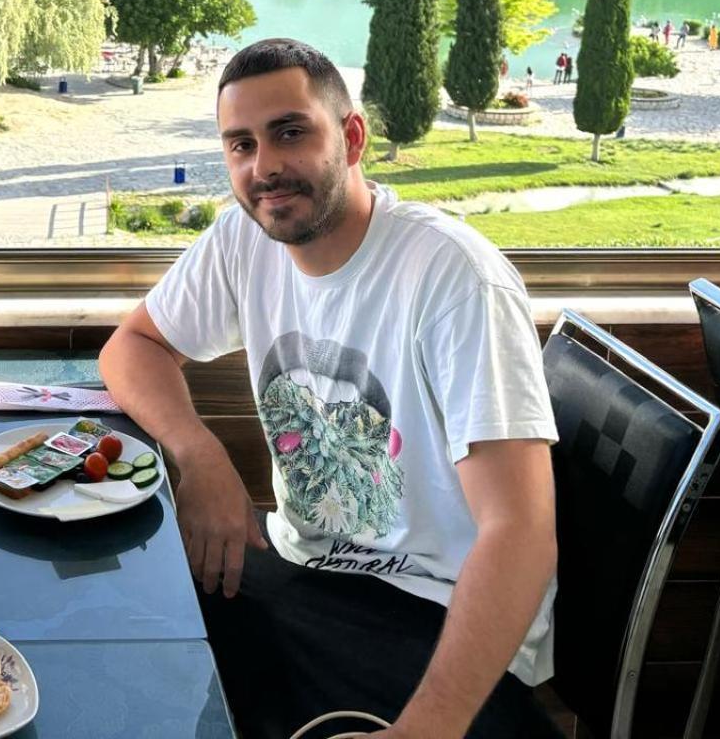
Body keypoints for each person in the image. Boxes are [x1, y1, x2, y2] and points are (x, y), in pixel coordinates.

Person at [99, 38, 559, 739]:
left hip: (434, 614)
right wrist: (200, 451)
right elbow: (133, 346)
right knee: (123, 628)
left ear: (350, 137)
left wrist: (427, 727)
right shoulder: (243, 240)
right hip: (303, 575)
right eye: (240, 145)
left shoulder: (454, 278)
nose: (265, 168)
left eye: (289, 132)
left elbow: (520, 530)